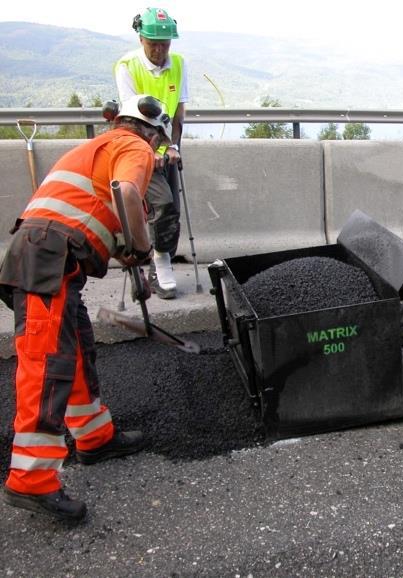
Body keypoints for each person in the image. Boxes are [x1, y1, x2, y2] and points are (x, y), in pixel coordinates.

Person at [0, 94, 173, 523]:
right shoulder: (134, 146)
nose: (156, 152)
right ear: (150, 131)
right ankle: (31, 481)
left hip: (51, 256)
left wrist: (124, 251)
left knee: (74, 350)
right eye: (158, 142)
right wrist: (144, 249)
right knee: (46, 364)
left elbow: (94, 211)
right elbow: (127, 192)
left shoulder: (99, 147)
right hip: (48, 260)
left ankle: (94, 438)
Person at [114, 7, 188, 299]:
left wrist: (173, 146)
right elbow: (132, 117)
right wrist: (151, 150)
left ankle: (162, 256)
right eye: (153, 43)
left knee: (173, 211)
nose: (159, 49)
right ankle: (160, 264)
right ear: (141, 38)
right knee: (162, 204)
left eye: (165, 43)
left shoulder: (179, 64)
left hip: (167, 144)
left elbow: (179, 113)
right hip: (137, 145)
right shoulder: (127, 65)